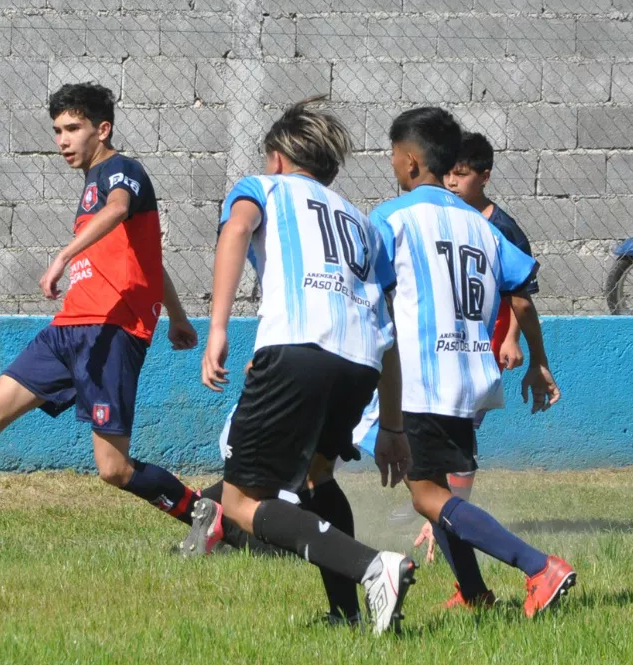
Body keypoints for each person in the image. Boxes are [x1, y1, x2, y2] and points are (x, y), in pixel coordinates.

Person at [0, 83, 203, 555]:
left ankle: (206, 515)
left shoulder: (123, 171)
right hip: (67, 330)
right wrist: (178, 318)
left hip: (111, 330)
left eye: (73, 128)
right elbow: (149, 261)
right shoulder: (91, 186)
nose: (62, 139)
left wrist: (61, 257)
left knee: (113, 469)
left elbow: (119, 211)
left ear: (103, 129)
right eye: (57, 130)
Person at [193, 97, 415, 634]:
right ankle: (349, 615)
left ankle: (372, 567)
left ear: (276, 158)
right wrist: (391, 425)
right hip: (360, 361)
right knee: (317, 478)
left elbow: (237, 231)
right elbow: (389, 326)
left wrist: (218, 326)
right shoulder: (364, 225)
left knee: (243, 500)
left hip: (298, 348)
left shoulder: (261, 188)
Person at [370, 107, 575, 618]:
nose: (391, 164)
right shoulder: (483, 226)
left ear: (411, 162)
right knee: (440, 489)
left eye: (393, 155)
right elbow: (522, 288)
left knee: (424, 495)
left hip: (421, 378)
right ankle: (474, 592)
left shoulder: (392, 217)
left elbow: (367, 286)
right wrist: (537, 358)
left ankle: (539, 566)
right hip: (469, 376)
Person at [411, 131, 541, 574]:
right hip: (441, 350)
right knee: (442, 437)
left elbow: (519, 295)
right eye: (448, 174)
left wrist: (511, 340)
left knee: (458, 436)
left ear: (484, 177)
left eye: (462, 176)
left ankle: (445, 516)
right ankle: (444, 511)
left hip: (479, 351)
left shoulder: (501, 229)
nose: (452, 183)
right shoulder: (444, 220)